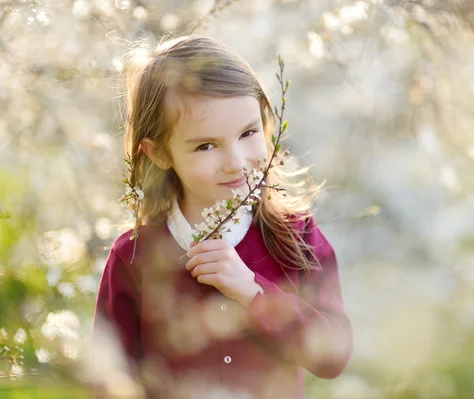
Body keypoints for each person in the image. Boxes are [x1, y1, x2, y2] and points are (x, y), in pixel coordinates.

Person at [92, 35, 353, 399]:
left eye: (248, 133)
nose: (236, 161)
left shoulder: (294, 235)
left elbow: (333, 355)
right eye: (206, 146)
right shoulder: (135, 257)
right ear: (159, 153)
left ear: (266, 125)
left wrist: (253, 291)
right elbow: (109, 379)